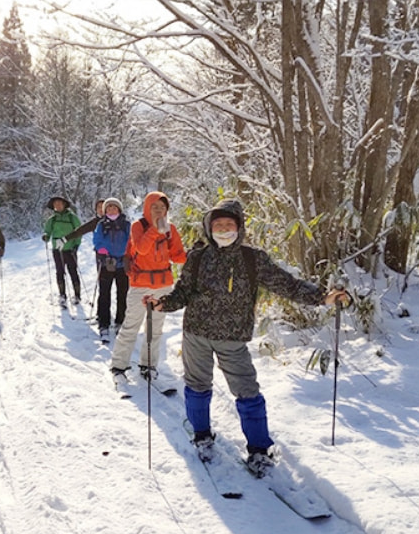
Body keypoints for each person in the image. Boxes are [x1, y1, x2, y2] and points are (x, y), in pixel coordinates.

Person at [145, 198, 351, 477]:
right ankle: (202, 435)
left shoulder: (253, 259)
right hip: (196, 333)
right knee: (197, 386)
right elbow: (183, 293)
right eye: (218, 225)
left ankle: (258, 449)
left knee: (247, 392)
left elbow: (287, 285)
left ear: (239, 227)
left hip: (233, 338)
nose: (223, 229)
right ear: (209, 228)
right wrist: (162, 303)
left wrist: (322, 298)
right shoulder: (198, 257)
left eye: (229, 224)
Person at [110, 191, 187, 380]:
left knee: (155, 328)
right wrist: (155, 229)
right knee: (131, 326)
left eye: (162, 207)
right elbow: (142, 250)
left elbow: (177, 256)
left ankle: (149, 366)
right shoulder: (138, 226)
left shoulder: (171, 229)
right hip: (140, 284)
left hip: (163, 285)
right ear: (147, 207)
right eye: (155, 207)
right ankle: (119, 367)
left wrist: (195, 254)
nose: (159, 211)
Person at [92, 198, 130, 341]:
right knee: (104, 295)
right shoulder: (102, 224)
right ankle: (104, 325)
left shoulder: (126, 224)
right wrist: (101, 250)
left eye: (114, 208)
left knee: (122, 294)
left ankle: (120, 321)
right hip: (106, 263)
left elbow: (131, 240)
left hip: (122, 264)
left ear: (119, 209)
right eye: (108, 208)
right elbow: (97, 239)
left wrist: (128, 253)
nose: (111, 210)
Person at [42, 195, 82, 306]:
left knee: (73, 271)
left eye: (59, 203)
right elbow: (47, 231)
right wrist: (45, 236)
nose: (57, 206)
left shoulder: (72, 217)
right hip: (57, 250)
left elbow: (79, 231)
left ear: (64, 204)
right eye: (55, 204)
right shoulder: (52, 219)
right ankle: (62, 295)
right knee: (60, 272)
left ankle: (77, 295)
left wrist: (76, 245)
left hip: (70, 249)